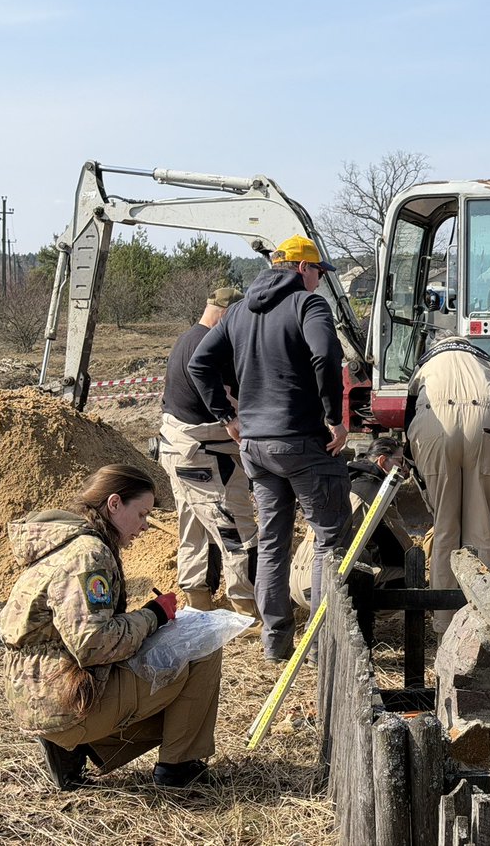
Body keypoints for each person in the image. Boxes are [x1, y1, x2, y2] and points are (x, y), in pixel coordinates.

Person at [0, 464, 221, 791]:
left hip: (37, 694)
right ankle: (178, 769)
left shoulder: (65, 545)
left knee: (168, 670)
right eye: (142, 514)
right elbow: (94, 644)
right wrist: (153, 616)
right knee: (203, 650)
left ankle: (74, 749)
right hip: (65, 700)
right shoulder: (89, 554)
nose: (145, 526)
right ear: (114, 504)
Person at [188, 234, 351, 664]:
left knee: (274, 542)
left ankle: (276, 643)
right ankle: (319, 649)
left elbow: (198, 363)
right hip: (300, 442)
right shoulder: (308, 305)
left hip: (256, 447)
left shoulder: (239, 311)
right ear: (302, 269)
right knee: (328, 539)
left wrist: (228, 417)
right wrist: (335, 417)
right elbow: (326, 356)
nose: (319, 281)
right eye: (317, 272)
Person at [158, 287, 258, 622]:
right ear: (227, 312)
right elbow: (231, 402)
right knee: (236, 529)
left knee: (194, 527)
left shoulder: (188, 338)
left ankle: (198, 602)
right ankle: (247, 610)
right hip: (205, 455)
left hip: (177, 447)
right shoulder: (211, 346)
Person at [405, 335, 490, 637]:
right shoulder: (485, 361)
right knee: (482, 531)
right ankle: (487, 627)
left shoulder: (426, 364)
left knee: (445, 530)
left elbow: (407, 420)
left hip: (434, 425)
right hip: (486, 424)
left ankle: (444, 626)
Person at [290, 436, 413, 644]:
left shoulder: (343, 479)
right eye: (400, 461)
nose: (404, 468)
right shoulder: (375, 491)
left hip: (298, 581)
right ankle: (363, 629)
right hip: (325, 589)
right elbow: (405, 548)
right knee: (406, 575)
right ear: (382, 461)